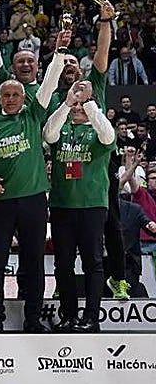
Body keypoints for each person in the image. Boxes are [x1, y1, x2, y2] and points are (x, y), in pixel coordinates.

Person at [0, 52, 68, 332]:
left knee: (34, 261)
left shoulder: (33, 116)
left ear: (24, 97)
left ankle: (33, 318)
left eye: (16, 94)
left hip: (33, 200)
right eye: (7, 95)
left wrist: (59, 54)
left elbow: (49, 84)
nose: (12, 98)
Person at [43, 79, 115, 332]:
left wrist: (90, 104)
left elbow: (109, 137)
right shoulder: (61, 129)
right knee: (63, 263)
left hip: (92, 205)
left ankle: (91, 318)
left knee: (92, 261)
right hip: (62, 205)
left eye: (82, 100)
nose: (78, 105)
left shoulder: (98, 128)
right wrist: (67, 103)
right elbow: (47, 133)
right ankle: (69, 315)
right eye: (76, 99)